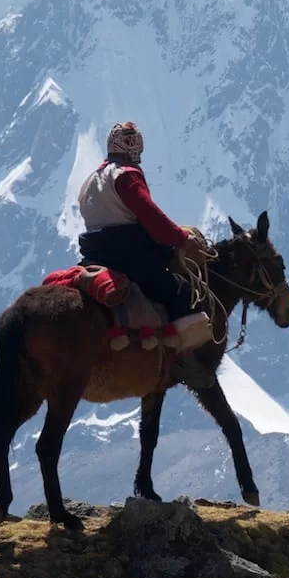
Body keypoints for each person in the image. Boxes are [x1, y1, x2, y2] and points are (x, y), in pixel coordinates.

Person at [77, 122, 217, 389]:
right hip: (128, 254)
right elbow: (150, 216)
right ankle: (183, 361)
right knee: (178, 290)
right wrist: (182, 239)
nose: (133, 147)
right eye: (130, 141)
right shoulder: (126, 176)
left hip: (96, 255)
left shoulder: (90, 181)